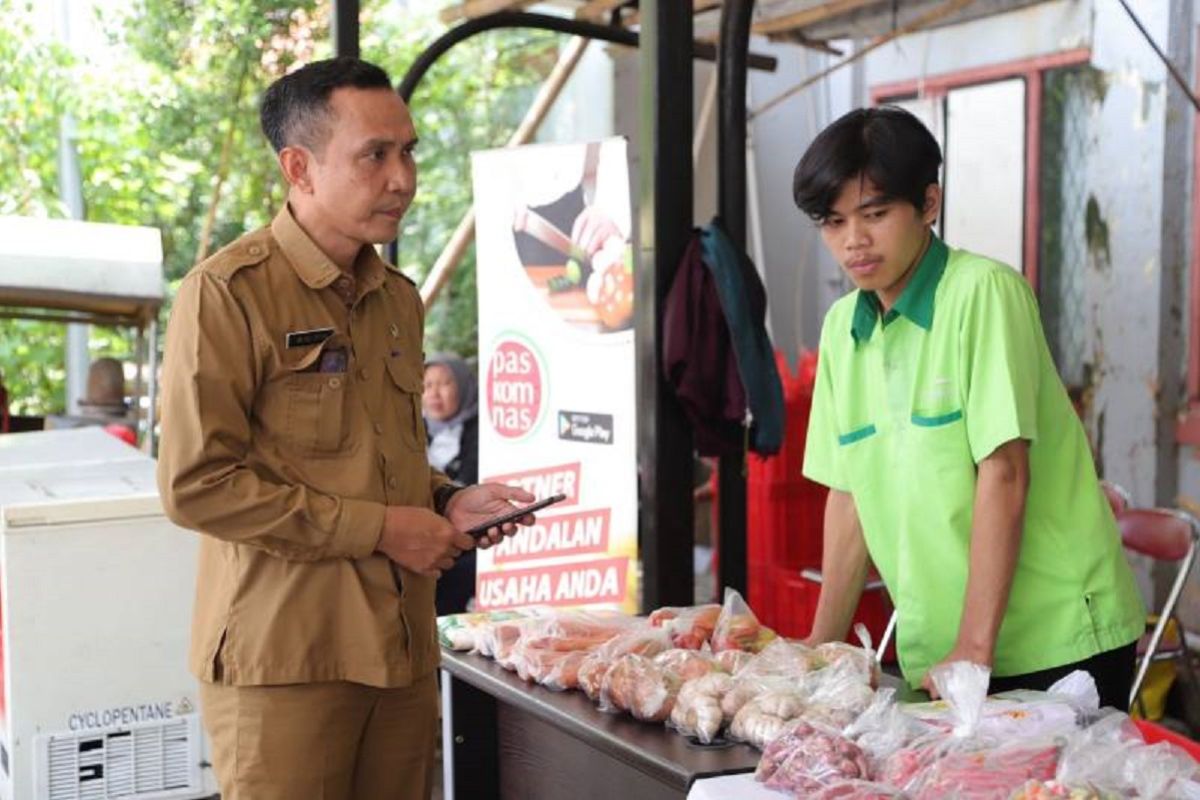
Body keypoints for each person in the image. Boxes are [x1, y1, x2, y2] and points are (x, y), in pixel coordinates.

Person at [156, 57, 535, 800]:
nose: (403, 178)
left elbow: (381, 458)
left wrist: (445, 500)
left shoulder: (397, 299)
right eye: (375, 155)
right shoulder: (228, 295)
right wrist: (382, 530)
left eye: (409, 151)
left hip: (397, 652)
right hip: (287, 663)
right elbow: (197, 486)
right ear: (299, 167)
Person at [795, 106, 1144, 709]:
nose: (854, 240)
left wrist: (974, 647)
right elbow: (849, 497)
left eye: (875, 214)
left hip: (1053, 642)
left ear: (929, 204)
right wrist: (821, 648)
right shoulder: (840, 332)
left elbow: (1004, 472)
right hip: (946, 654)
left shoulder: (984, 294)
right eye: (834, 222)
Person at [422, 353, 479, 615]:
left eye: (445, 384)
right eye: (427, 385)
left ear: (464, 386)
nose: (434, 393)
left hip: (468, 542)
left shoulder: (481, 432)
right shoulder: (412, 429)